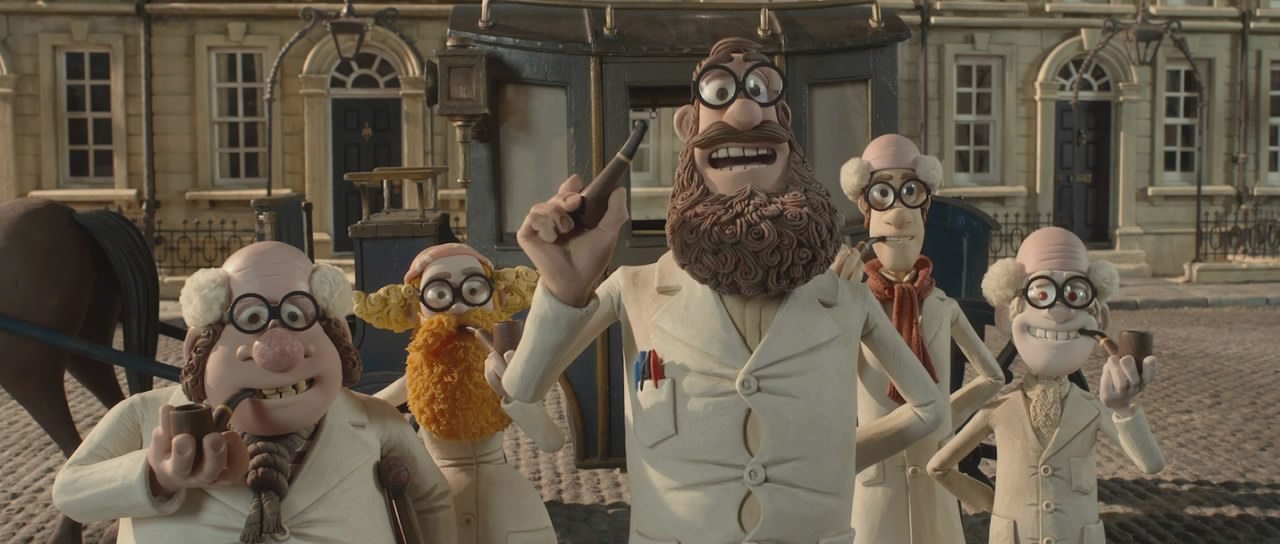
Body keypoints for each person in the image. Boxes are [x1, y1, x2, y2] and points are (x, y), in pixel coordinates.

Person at [496, 37, 945, 544]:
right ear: (688, 128)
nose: (747, 113)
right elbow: (522, 392)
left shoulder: (846, 298)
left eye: (761, 91)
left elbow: (928, 408)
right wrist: (564, 287)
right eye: (721, 92)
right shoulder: (636, 288)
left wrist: (836, 458)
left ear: (786, 123)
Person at [52, 241, 458, 544]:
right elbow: (71, 491)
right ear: (198, 346)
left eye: (298, 315)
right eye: (251, 318)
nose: (279, 352)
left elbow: (431, 499)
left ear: (339, 337)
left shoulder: (376, 421)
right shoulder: (144, 415)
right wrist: (158, 476)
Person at [928, 226, 1165, 544]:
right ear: (1007, 316)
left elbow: (1151, 464)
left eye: (1074, 295)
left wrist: (1123, 408)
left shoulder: (1092, 410)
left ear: (1100, 318)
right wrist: (995, 505)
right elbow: (939, 467)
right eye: (1042, 294)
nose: (1059, 312)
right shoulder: (998, 410)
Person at [835, 134, 1004, 544]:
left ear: (925, 211)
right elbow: (827, 381)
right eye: (883, 195)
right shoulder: (854, 304)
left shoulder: (942, 306)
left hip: (933, 472)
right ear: (866, 213)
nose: (898, 215)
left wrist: (941, 418)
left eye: (910, 195)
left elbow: (993, 377)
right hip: (877, 479)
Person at [357, 242, 560, 544]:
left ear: (498, 299)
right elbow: (368, 410)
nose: (458, 308)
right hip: (438, 511)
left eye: (473, 290)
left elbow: (551, 440)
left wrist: (511, 390)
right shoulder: (418, 379)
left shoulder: (503, 368)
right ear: (414, 310)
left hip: (508, 514)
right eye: (439, 294)